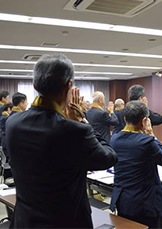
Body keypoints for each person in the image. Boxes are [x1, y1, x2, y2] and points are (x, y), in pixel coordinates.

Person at [6, 54, 117, 228]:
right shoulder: (74, 130)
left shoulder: (12, 123)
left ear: (35, 85)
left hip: (25, 220)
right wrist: (81, 121)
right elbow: (109, 158)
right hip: (66, 222)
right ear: (68, 86)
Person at [110, 101, 162, 228]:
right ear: (144, 121)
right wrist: (151, 134)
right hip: (146, 204)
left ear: (125, 118)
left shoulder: (114, 139)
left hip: (124, 201)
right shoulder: (147, 141)